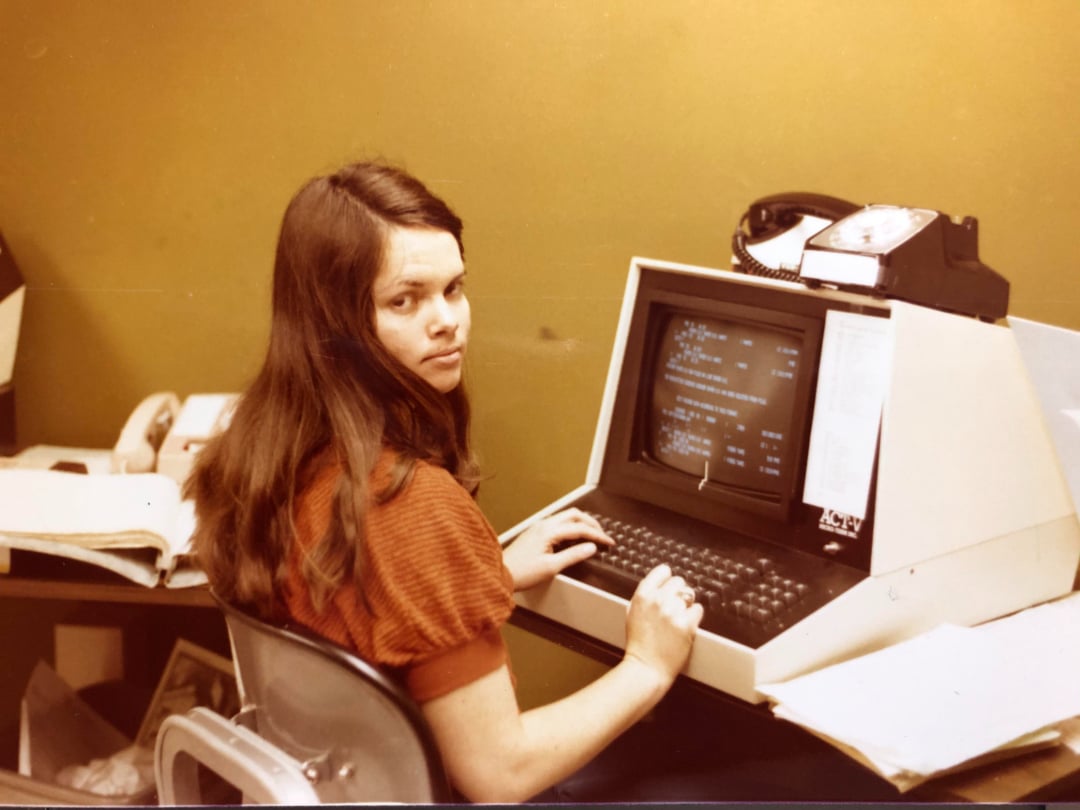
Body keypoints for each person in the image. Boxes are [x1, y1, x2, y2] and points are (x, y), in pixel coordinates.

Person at [186, 160, 703, 803]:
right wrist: (647, 666)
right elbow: (497, 774)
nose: (447, 321)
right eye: (405, 300)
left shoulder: (261, 452)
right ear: (333, 325)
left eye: (453, 289)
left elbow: (346, 606)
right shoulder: (406, 504)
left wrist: (485, 575)